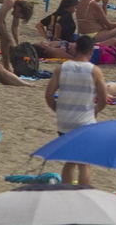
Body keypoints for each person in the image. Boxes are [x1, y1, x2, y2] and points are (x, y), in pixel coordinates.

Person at [43, 35, 106, 187]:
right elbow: (104, 99)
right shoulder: (94, 71)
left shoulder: (61, 69)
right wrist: (95, 111)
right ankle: (83, 191)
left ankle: (66, 191)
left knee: (69, 161)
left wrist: (57, 110)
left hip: (64, 122)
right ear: (91, 52)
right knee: (84, 163)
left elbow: (49, 95)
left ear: (76, 48)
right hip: (84, 121)